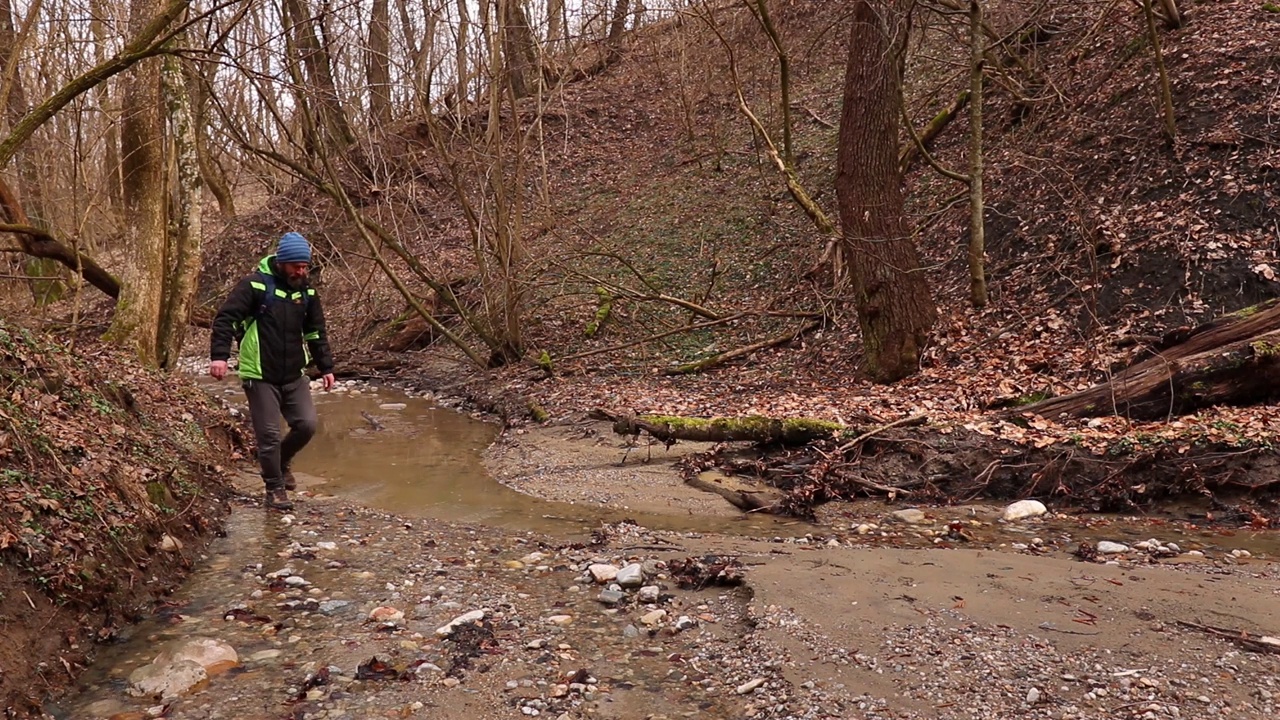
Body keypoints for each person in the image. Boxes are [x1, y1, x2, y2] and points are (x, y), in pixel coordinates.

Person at [210, 232, 335, 511]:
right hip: (259, 375)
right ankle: (275, 489)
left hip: (294, 374)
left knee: (307, 425)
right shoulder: (254, 286)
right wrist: (219, 356)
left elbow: (316, 333)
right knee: (268, 436)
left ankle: (281, 462)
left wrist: (326, 367)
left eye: (304, 266)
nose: (301, 271)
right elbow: (225, 319)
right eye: (295, 266)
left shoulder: (307, 292)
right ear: (281, 262)